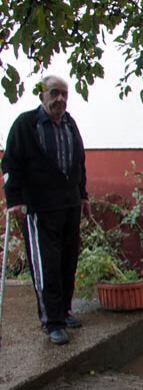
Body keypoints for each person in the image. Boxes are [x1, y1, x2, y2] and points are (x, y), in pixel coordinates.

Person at [1, 75, 90, 345]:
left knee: (67, 260)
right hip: (40, 207)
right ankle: (51, 321)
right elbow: (10, 164)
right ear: (42, 95)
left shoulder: (69, 124)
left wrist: (83, 195)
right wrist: (14, 198)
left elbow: (79, 163)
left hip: (69, 204)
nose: (60, 99)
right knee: (46, 264)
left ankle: (64, 310)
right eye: (54, 93)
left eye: (64, 94)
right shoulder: (26, 124)